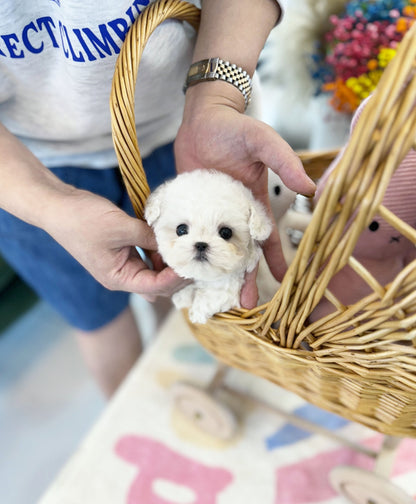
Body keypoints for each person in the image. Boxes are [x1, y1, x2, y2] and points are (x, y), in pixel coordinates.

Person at [0, 0, 315, 397]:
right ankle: (133, 412)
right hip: (23, 167)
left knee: (176, 289)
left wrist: (215, 101)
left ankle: (188, 383)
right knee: (97, 320)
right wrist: (47, 203)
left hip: (185, 122)